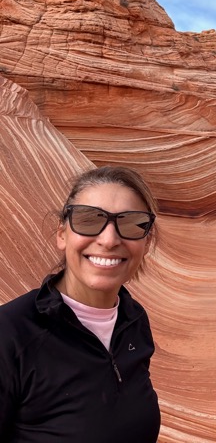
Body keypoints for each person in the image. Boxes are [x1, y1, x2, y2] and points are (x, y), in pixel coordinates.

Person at [0, 165, 161, 442]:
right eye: (88, 220)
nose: (109, 240)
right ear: (62, 234)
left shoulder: (133, 320)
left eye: (131, 223)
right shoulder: (10, 334)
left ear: (146, 242)